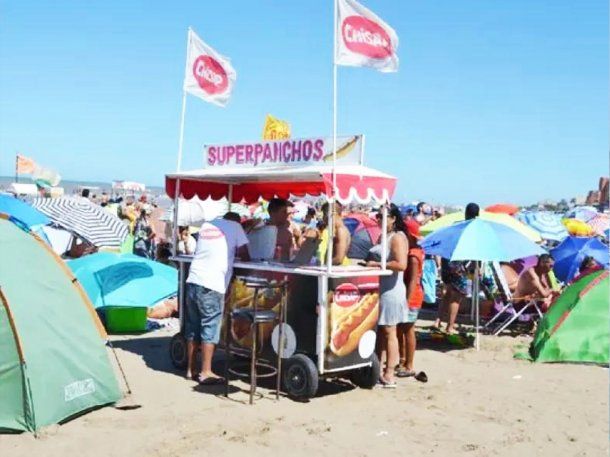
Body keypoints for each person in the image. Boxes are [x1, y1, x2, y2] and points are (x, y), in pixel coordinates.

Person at [185, 212, 249, 384]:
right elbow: (245, 253)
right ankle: (206, 372)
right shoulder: (236, 227)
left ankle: (190, 369)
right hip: (212, 283)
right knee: (210, 326)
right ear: (236, 221)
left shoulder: (207, 225)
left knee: (193, 326)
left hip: (193, 279)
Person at [367, 204, 408, 387]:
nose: (379, 220)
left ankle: (389, 372)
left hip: (392, 290)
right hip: (382, 287)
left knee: (390, 331)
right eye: (378, 217)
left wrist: (378, 265)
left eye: (383, 217)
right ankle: (379, 368)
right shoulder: (385, 236)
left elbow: (401, 264)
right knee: (382, 332)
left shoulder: (397, 238)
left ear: (393, 219)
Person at [434, 203, 479, 333]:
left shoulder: (456, 225)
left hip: (447, 262)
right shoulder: (473, 229)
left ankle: (438, 321)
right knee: (456, 297)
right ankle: (450, 326)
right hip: (459, 265)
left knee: (447, 294)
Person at [396, 219, 424, 378]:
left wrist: (406, 301)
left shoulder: (414, 255)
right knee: (402, 329)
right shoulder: (416, 252)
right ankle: (403, 359)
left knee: (408, 330)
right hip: (412, 295)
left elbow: (413, 280)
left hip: (412, 296)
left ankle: (409, 364)